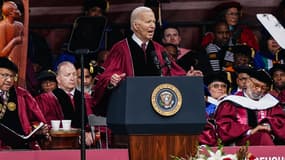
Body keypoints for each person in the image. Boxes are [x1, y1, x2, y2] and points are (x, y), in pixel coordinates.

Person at [92, 6, 203, 116]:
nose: (153, 26)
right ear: (136, 25)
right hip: (130, 110)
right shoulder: (121, 49)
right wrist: (111, 81)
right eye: (148, 22)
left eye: (154, 22)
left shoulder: (159, 49)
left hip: (158, 109)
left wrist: (187, 77)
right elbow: (104, 78)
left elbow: (172, 73)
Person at [215, 69, 285, 146]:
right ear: (247, 82)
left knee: (263, 136)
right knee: (262, 136)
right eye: (256, 85)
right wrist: (249, 131)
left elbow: (280, 122)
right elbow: (224, 125)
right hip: (240, 144)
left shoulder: (271, 103)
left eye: (263, 88)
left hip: (270, 140)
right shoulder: (231, 102)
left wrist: (268, 126)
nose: (259, 90)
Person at [35, 61, 94, 146]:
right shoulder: (46, 99)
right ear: (58, 79)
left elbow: (94, 123)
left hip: (85, 144)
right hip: (57, 144)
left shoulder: (86, 98)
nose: (72, 78)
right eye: (67, 75)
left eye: (74, 74)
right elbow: (42, 124)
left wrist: (90, 133)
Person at [0, 57, 49, 150]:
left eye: (12, 76)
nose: (9, 80)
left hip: (21, 148)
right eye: (5, 75)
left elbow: (36, 121)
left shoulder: (22, 95)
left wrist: (37, 130)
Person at [199, 71, 229, 146]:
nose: (220, 88)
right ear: (208, 89)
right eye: (216, 86)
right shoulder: (202, 105)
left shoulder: (232, 104)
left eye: (223, 86)